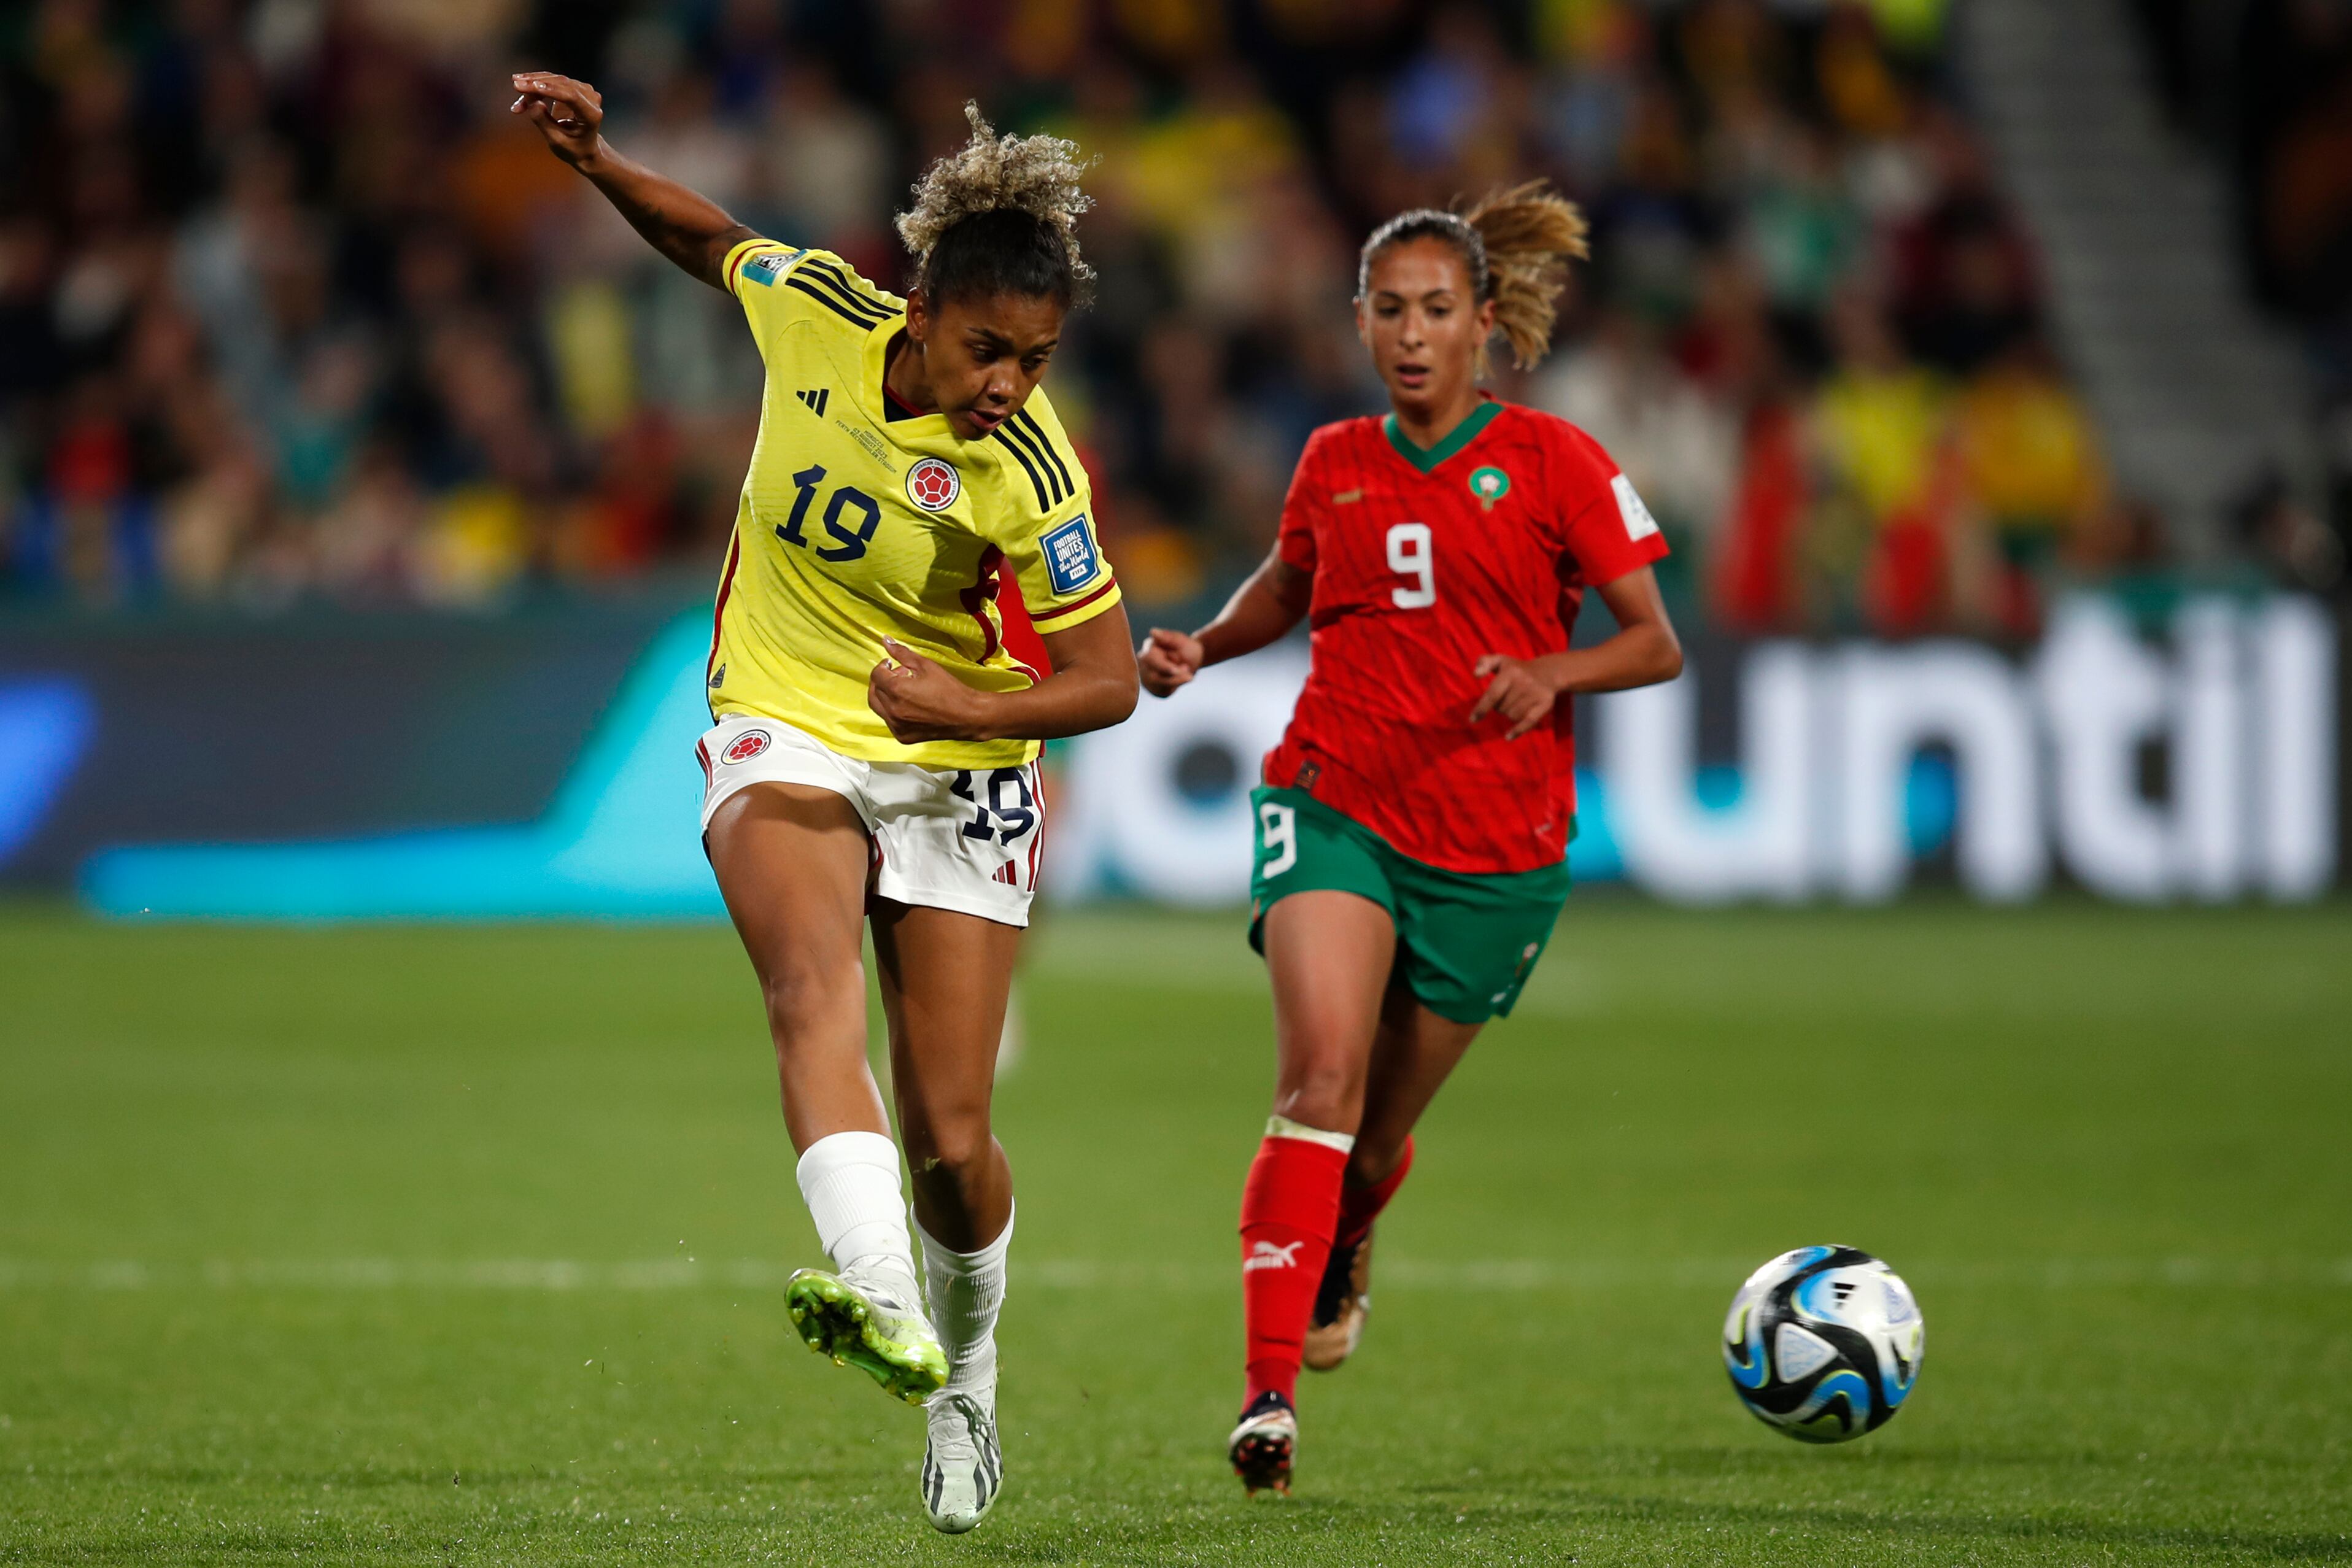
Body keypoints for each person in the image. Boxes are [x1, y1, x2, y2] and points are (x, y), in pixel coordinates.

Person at [513, 75, 1136, 1533]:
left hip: (954, 763)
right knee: (808, 989)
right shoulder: (815, 314)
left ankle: (964, 1382)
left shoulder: (1032, 474)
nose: (1008, 384)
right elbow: (707, 238)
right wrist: (599, 161)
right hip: (782, 718)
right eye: (987, 350)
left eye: (1035, 360)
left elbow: (1106, 679)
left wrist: (967, 707)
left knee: (953, 1147)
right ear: (918, 310)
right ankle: (876, 1298)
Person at [1138, 181, 1684, 1496]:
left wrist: (1552, 673)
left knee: (1371, 1142)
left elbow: (1653, 642)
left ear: (1483, 322)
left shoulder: (1554, 460)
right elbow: (1288, 584)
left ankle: (1348, 1229)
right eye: (1388, 310)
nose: (1411, 334)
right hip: (1336, 801)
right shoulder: (1333, 458)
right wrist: (1205, 645)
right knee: (1318, 1082)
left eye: (1436, 310)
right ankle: (1267, 1398)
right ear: (1359, 322)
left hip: (1496, 849)